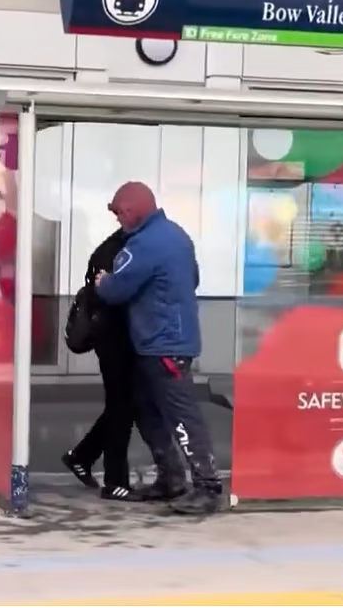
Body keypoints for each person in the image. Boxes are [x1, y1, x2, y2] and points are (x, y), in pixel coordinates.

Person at [95, 181, 221, 515]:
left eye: (119, 212)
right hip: (168, 341)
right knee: (148, 410)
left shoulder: (144, 245)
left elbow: (116, 290)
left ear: (132, 210)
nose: (118, 220)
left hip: (163, 345)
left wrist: (102, 281)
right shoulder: (176, 236)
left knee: (180, 415)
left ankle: (207, 486)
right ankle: (171, 479)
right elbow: (191, 278)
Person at [61, 229, 182, 502]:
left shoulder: (115, 249)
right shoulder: (120, 253)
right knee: (121, 408)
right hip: (117, 341)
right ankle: (114, 481)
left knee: (125, 406)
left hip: (122, 340)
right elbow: (113, 295)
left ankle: (82, 456)